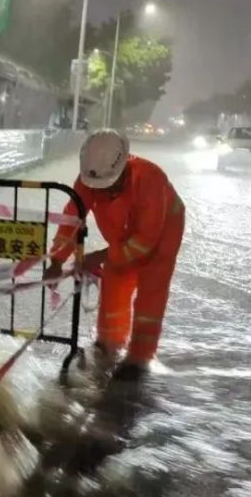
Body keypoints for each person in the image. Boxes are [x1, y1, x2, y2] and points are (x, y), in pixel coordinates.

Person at [46, 129, 185, 381]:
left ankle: (139, 358)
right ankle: (109, 345)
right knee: (114, 285)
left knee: (149, 298)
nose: (105, 190)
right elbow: (71, 218)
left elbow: (145, 242)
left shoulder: (151, 179)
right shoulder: (91, 176)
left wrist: (99, 256)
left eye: (111, 185)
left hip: (163, 234)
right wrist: (56, 258)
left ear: (123, 167)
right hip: (122, 236)